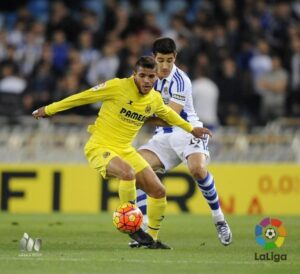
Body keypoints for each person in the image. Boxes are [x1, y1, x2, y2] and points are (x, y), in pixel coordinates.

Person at [32, 56, 212, 249]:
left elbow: (170, 115)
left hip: (125, 150)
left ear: (156, 78)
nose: (146, 81)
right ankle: (131, 224)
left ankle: (150, 240)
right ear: (133, 74)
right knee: (127, 173)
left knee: (159, 191)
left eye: (151, 76)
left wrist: (192, 129)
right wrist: (49, 109)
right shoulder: (117, 86)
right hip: (100, 147)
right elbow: (82, 97)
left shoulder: (155, 99)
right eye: (142, 75)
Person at [132, 38, 232, 247]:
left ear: (175, 58)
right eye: (161, 60)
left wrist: (136, 115)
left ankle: (219, 219)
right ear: (153, 58)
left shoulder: (181, 80)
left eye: (170, 60)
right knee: (136, 166)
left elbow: (171, 116)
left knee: (197, 169)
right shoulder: (145, 78)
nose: (165, 65)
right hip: (162, 135)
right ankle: (142, 227)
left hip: (187, 130)